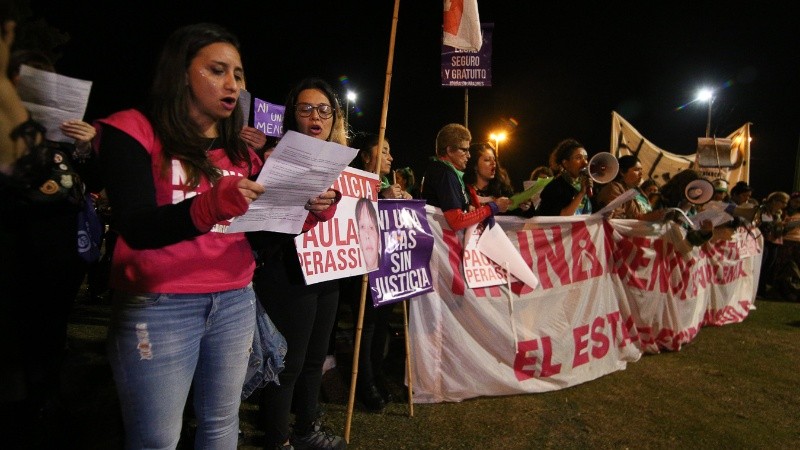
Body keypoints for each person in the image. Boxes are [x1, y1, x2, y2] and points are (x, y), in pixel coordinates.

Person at [92, 23, 277, 448]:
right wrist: (210, 204)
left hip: (235, 299)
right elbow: (136, 225)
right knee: (157, 439)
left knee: (221, 425)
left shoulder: (242, 153)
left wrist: (302, 215)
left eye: (239, 74)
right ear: (180, 72)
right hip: (158, 305)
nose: (232, 83)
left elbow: (253, 238)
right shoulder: (132, 130)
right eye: (217, 70)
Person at [253, 77, 347, 450]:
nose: (316, 116)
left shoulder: (342, 161)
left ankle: (307, 427)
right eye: (306, 108)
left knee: (315, 358)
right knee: (287, 364)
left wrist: (337, 197)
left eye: (324, 110)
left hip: (327, 269)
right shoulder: (273, 158)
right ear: (292, 114)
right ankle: (278, 439)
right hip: (287, 270)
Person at [420, 123, 510, 230]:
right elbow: (457, 221)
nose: (469, 155)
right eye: (464, 150)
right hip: (443, 243)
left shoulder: (441, 170)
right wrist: (493, 207)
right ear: (449, 150)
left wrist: (470, 209)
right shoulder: (445, 173)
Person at [464, 141, 532, 216]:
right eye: (487, 160)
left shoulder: (501, 189)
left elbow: (519, 214)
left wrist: (526, 208)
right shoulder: (464, 191)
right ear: (474, 165)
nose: (493, 163)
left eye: (494, 159)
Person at [595, 155, 666, 221]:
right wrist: (644, 218)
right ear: (622, 172)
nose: (641, 174)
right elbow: (615, 219)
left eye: (641, 170)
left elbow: (642, 213)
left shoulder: (637, 192)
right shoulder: (613, 188)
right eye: (637, 170)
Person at [535, 138, 593, 216]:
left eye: (586, 158)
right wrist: (581, 193)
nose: (585, 162)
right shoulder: (554, 187)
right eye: (578, 158)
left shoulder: (586, 185)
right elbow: (562, 217)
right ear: (565, 163)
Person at [755, 191, 789, 298]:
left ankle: (762, 290)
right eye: (782, 202)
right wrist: (776, 224)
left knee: (768, 267)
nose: (784, 205)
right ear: (774, 200)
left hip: (774, 242)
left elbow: (778, 230)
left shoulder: (778, 213)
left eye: (785, 203)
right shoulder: (762, 210)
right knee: (760, 266)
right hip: (763, 241)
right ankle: (757, 290)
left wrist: (784, 227)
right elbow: (762, 226)